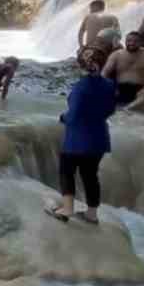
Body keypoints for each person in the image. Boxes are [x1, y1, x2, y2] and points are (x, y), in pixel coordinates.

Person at [46, 47, 116, 224]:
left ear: (81, 66)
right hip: (99, 137)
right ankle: (92, 214)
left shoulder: (81, 87)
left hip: (78, 138)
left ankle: (67, 209)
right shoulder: (109, 85)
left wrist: (63, 117)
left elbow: (74, 114)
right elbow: (110, 109)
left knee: (67, 171)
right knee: (90, 175)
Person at [103, 32, 144, 110]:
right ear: (125, 41)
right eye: (129, 41)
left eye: (135, 41)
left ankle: (128, 108)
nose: (131, 43)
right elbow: (105, 72)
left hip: (139, 90)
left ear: (141, 42)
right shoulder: (117, 54)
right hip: (119, 89)